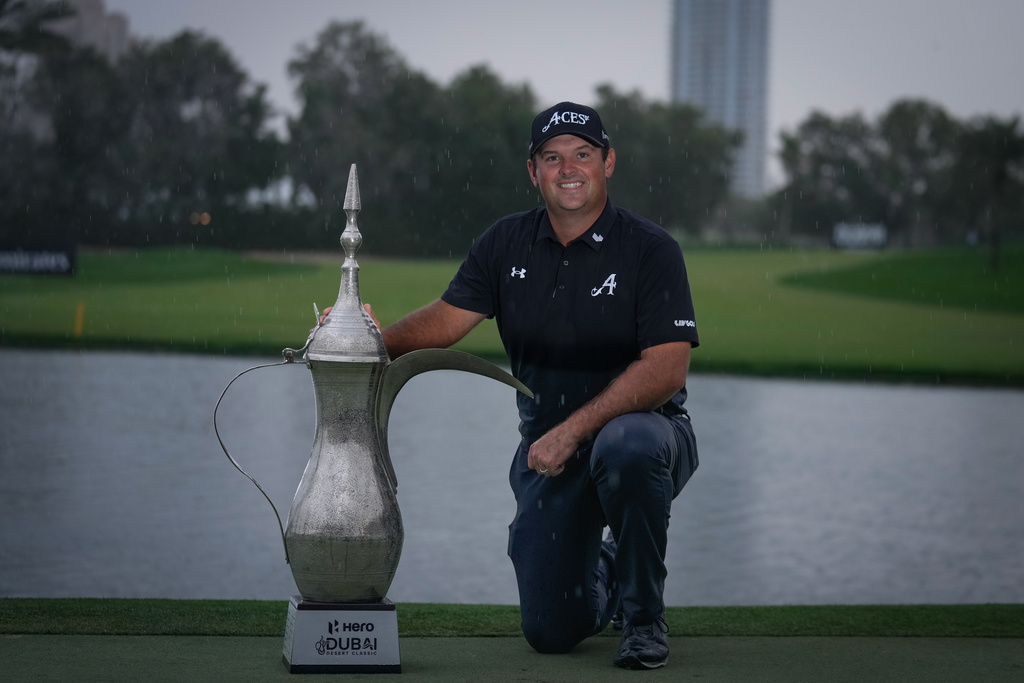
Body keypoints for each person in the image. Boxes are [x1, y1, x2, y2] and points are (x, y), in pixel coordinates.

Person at [365, 101, 699, 669]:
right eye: (552, 158)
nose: (568, 169)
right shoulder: (504, 244)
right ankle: (612, 570)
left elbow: (666, 369)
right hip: (550, 456)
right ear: (533, 171)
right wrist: (364, 336)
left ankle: (644, 621)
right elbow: (444, 322)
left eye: (582, 154)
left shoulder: (651, 249)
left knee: (628, 446)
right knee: (549, 631)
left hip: (649, 436)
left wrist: (573, 430)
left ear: (608, 163)